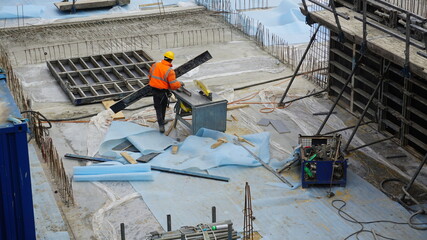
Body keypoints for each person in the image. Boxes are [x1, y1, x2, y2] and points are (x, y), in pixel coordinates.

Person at [148, 51, 183, 133]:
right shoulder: (169, 71)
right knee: (162, 107)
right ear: (171, 60)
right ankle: (161, 125)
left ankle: (161, 123)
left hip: (154, 90)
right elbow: (174, 85)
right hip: (162, 92)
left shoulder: (155, 65)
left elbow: (150, 76)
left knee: (158, 108)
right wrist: (180, 84)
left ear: (164, 57)